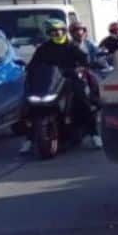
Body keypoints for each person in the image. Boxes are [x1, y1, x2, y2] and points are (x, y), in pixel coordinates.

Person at [19, 19, 102, 153]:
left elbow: (84, 60)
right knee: (28, 103)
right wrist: (28, 68)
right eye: (53, 32)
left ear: (64, 31)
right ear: (49, 34)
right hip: (49, 83)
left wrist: (82, 67)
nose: (57, 34)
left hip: (69, 79)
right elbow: (33, 64)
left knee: (82, 99)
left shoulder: (71, 47)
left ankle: (94, 134)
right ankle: (29, 139)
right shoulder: (43, 48)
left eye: (59, 31)